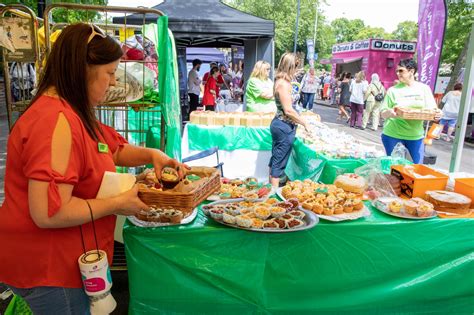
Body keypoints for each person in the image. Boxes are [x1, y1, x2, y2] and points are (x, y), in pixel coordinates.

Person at [0, 23, 188, 314]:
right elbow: (49, 212)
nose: (113, 82)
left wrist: (153, 154)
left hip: (65, 260)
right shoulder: (55, 121)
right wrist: (118, 203)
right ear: (84, 69)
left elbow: (109, 147)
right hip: (49, 265)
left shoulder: (71, 110)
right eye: (110, 73)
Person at [380, 58, 442, 164]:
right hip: (393, 135)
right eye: (397, 71)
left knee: (415, 168)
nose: (398, 73)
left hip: (415, 136)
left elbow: (432, 110)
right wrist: (390, 113)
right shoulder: (393, 90)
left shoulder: (424, 89)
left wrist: (437, 114)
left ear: (412, 71)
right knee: (394, 168)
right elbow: (383, 113)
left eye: (401, 71)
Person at [269, 52, 310, 189]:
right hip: (283, 125)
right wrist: (304, 122)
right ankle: (273, 195)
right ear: (290, 67)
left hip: (283, 124)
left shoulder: (283, 82)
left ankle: (272, 191)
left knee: (276, 159)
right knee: (278, 163)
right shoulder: (283, 84)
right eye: (296, 67)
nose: (297, 70)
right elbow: (288, 110)